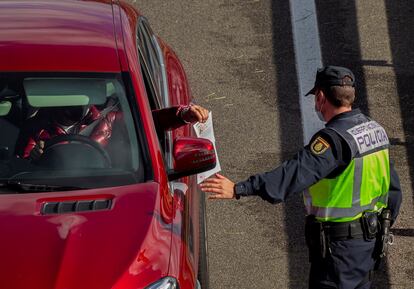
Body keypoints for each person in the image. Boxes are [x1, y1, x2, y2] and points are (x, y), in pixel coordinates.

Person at [200, 66, 402, 289]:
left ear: (321, 97)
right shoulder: (375, 131)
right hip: (369, 244)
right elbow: (393, 191)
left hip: (340, 251)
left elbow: (294, 173)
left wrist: (239, 189)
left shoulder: (334, 140)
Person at [15, 103, 209, 160]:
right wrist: (33, 158)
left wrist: (181, 115)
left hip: (101, 185)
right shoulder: (34, 128)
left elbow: (150, 121)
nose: (73, 107)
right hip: (49, 189)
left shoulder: (107, 119)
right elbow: (17, 170)